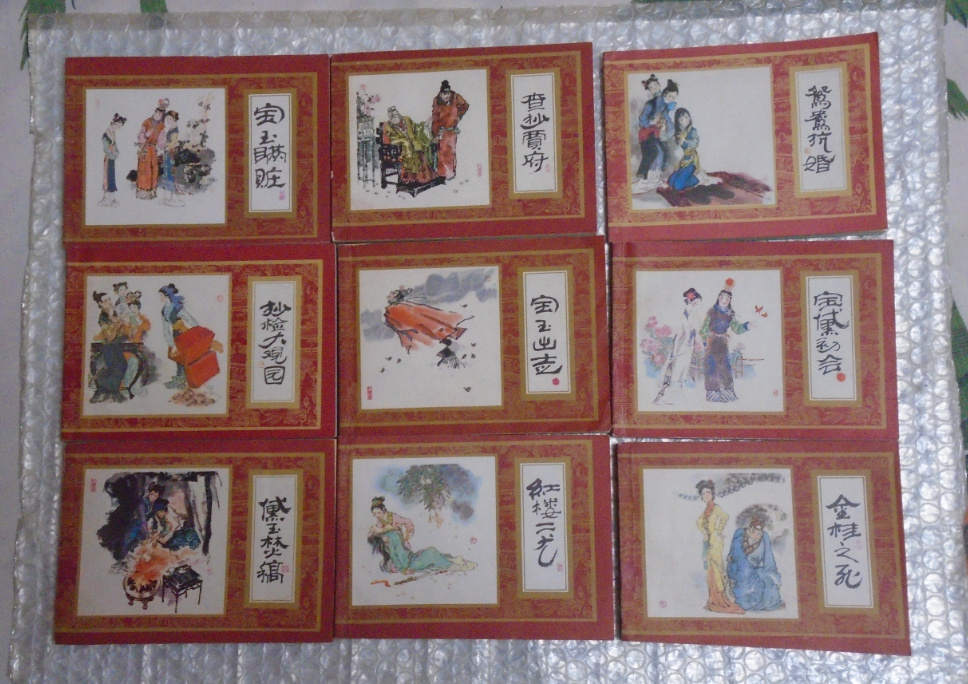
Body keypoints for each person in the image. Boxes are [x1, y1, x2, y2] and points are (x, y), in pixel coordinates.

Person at [367, 497, 475, 575]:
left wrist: (407, 535)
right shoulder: (387, 533)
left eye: (378, 513)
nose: (377, 516)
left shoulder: (392, 518)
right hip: (398, 551)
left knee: (429, 553)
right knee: (427, 555)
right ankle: (453, 563)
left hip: (402, 546)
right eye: (374, 514)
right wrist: (403, 569)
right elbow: (390, 547)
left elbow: (407, 522)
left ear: (383, 510)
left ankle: (453, 560)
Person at [695, 480, 745, 614]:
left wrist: (718, 530)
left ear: (712, 494)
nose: (706, 495)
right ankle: (713, 600)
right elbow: (698, 522)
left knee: (717, 568)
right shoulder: (705, 511)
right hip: (708, 542)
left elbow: (725, 517)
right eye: (704, 493)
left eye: (708, 492)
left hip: (716, 541)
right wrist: (705, 533)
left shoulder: (716, 508)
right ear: (702, 496)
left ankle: (721, 600)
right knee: (710, 570)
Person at [699, 281, 751, 402]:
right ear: (718, 298)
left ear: (730, 300)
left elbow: (737, 328)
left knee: (725, 368)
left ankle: (728, 394)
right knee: (712, 368)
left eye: (727, 298)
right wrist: (708, 338)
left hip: (723, 344)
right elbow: (702, 330)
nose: (724, 300)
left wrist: (747, 326)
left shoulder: (730, 314)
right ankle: (713, 395)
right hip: (712, 344)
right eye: (722, 297)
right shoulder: (711, 312)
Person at [383, 286, 471, 355]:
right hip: (417, 327)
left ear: (397, 297)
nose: (390, 295)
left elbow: (419, 312)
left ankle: (451, 345)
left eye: (393, 293)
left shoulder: (401, 306)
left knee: (436, 330)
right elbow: (400, 324)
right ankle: (450, 345)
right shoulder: (393, 309)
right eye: (391, 293)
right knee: (434, 332)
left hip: (421, 323)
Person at [654, 287, 703, 403]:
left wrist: (693, 337)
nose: (696, 303)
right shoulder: (687, 309)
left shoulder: (693, 310)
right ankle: (669, 391)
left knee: (683, 364)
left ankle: (675, 390)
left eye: (696, 301)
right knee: (676, 363)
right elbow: (685, 326)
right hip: (682, 339)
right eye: (693, 300)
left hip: (687, 340)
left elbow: (695, 326)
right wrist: (687, 337)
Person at [727, 515, 784, 611]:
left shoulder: (764, 537)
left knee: (768, 579)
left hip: (754, 569)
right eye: (756, 533)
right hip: (739, 569)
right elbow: (738, 557)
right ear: (750, 529)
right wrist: (749, 574)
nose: (759, 536)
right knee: (750, 585)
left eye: (760, 533)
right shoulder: (740, 534)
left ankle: (770, 602)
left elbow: (769, 558)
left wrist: (772, 573)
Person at [632, 79, 678, 193]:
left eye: (673, 97)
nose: (671, 98)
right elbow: (642, 120)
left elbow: (667, 119)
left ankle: (655, 178)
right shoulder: (651, 104)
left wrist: (670, 130)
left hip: (656, 133)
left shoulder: (665, 106)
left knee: (663, 152)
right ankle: (645, 178)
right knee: (655, 152)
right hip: (647, 133)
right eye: (651, 87)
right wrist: (653, 122)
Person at [159, 283, 199, 390]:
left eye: (161, 295)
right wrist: (171, 344)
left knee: (184, 358)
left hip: (184, 334)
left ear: (167, 296)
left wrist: (198, 332)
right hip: (176, 334)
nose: (160, 298)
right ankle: (180, 379)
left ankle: (185, 380)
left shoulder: (176, 308)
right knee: (178, 357)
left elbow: (190, 319)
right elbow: (165, 329)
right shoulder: (163, 310)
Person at [383, 106, 435, 185]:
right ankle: (411, 178)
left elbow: (416, 128)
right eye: (392, 118)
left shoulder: (406, 119)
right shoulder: (388, 126)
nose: (394, 119)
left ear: (399, 115)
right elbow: (392, 140)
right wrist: (404, 141)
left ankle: (424, 176)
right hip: (402, 147)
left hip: (414, 143)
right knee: (411, 152)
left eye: (395, 116)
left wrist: (425, 125)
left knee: (421, 150)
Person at [430, 80, 469, 180]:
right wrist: (435, 133)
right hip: (441, 131)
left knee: (450, 151)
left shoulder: (455, 97)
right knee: (441, 151)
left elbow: (465, 105)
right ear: (440, 93)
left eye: (448, 93)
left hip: (451, 131)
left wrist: (459, 116)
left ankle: (450, 173)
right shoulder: (436, 100)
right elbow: (435, 117)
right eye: (444, 94)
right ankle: (442, 173)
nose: (446, 96)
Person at [135, 99, 168, 199]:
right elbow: (140, 135)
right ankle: (142, 192)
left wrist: (165, 144)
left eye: (160, 114)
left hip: (153, 150)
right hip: (145, 149)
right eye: (157, 112)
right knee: (144, 169)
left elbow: (161, 140)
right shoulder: (147, 122)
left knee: (153, 169)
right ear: (154, 112)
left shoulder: (161, 126)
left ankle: (151, 192)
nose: (158, 115)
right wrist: (146, 136)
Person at [99, 113, 126, 207]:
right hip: (108, 157)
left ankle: (112, 198)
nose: (118, 127)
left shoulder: (113, 133)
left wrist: (116, 152)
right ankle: (106, 198)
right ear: (113, 123)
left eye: (120, 126)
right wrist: (112, 155)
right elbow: (106, 148)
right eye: (117, 125)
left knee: (112, 176)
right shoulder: (106, 134)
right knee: (107, 176)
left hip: (112, 157)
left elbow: (115, 145)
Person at [158, 110, 184, 207]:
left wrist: (165, 144)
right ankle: (168, 196)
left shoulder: (174, 129)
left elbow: (173, 143)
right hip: (168, 152)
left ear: (174, 119)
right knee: (167, 172)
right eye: (167, 118)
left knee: (170, 173)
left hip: (170, 152)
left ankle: (173, 196)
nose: (168, 120)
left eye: (170, 118)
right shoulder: (171, 128)